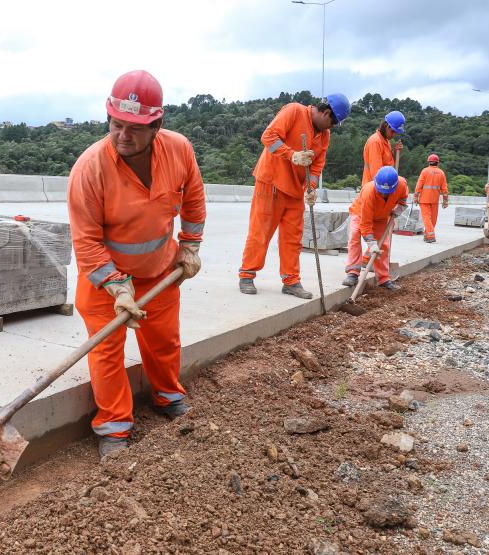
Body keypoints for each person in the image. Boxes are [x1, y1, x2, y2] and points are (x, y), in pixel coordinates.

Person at [67, 70, 206, 458]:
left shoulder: (179, 150)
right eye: (116, 124)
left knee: (163, 340)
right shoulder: (89, 169)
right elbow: (87, 240)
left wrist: (190, 246)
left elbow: (193, 199)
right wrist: (116, 286)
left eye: (134, 128)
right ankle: (113, 427)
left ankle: (167, 396)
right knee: (107, 350)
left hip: (159, 268)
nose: (122, 136)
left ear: (157, 126)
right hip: (104, 277)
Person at [238, 93, 351, 297]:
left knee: (293, 238)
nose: (332, 127)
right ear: (326, 113)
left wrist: (311, 187)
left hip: (295, 190)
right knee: (260, 232)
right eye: (332, 122)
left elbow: (317, 167)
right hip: (271, 182)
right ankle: (247, 274)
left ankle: (291, 281)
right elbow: (268, 137)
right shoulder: (294, 111)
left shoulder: (324, 136)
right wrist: (292, 155)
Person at [342, 166, 408, 290]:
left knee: (383, 245)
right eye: (381, 191)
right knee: (355, 237)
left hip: (382, 216)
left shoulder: (402, 184)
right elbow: (365, 224)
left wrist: (399, 208)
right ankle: (353, 272)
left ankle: (383, 278)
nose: (383, 194)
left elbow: (403, 199)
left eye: (387, 192)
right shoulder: (369, 192)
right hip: (360, 213)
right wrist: (371, 244)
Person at [362, 110, 405, 185]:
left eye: (396, 133)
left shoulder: (385, 141)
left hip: (384, 187)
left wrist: (395, 152)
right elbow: (377, 175)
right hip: (374, 189)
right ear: (387, 126)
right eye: (393, 132)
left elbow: (389, 165)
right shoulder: (375, 142)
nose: (394, 135)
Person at [414, 153, 449, 243]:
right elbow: (444, 189)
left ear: (429, 162)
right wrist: (445, 201)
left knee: (427, 218)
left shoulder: (425, 171)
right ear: (437, 163)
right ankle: (427, 235)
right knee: (433, 219)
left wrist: (415, 196)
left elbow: (419, 184)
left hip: (424, 199)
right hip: (434, 200)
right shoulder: (441, 172)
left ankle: (430, 236)